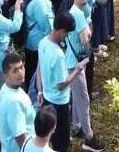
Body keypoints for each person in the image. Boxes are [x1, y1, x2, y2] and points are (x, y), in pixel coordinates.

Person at [64, 0, 106, 152]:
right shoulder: (78, 15)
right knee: (84, 99)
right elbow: (85, 39)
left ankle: (76, 126)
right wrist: (89, 29)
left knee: (76, 97)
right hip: (76, 64)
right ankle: (88, 138)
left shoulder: (75, 12)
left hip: (72, 61)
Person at [36, 11, 81, 152]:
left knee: (52, 134)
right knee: (62, 139)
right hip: (60, 102)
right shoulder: (58, 55)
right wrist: (76, 71)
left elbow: (38, 68)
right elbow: (61, 85)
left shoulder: (43, 42)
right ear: (61, 31)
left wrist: (40, 90)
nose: (66, 36)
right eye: (66, 33)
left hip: (47, 98)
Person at [22, 0, 54, 91]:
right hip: (38, 43)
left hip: (29, 41)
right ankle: (35, 92)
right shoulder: (38, 2)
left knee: (30, 67)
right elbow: (46, 25)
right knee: (36, 71)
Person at [0, 52, 35, 152]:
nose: (20, 73)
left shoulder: (6, 87)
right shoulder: (14, 103)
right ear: (6, 75)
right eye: (15, 70)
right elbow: (21, 139)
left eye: (21, 67)